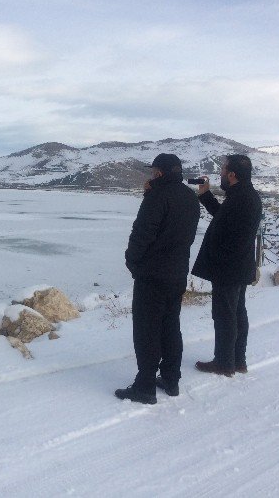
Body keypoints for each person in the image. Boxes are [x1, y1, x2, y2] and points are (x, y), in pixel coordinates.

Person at [115, 153, 200, 405]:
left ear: (160, 173)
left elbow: (142, 233)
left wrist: (132, 261)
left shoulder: (157, 196)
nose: (150, 176)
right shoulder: (190, 198)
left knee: (147, 329)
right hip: (177, 272)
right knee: (170, 325)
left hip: (152, 274)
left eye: (153, 172)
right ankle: (171, 379)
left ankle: (145, 386)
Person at [191, 154, 262, 376]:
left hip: (228, 268)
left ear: (232, 174)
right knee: (237, 313)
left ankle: (224, 363)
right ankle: (237, 360)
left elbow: (226, 230)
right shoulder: (245, 195)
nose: (220, 174)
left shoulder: (241, 198)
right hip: (237, 267)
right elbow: (224, 218)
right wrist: (205, 195)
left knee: (225, 315)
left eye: (222, 170)